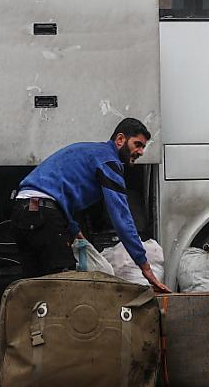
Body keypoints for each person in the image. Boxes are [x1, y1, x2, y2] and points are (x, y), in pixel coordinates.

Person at [10, 118, 169, 292]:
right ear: (120, 140)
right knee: (63, 286)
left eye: (143, 147)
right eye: (137, 144)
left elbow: (60, 196)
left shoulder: (91, 152)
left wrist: (75, 232)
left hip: (23, 211)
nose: (141, 152)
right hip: (44, 213)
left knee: (35, 288)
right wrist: (145, 267)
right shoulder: (109, 161)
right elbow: (122, 218)